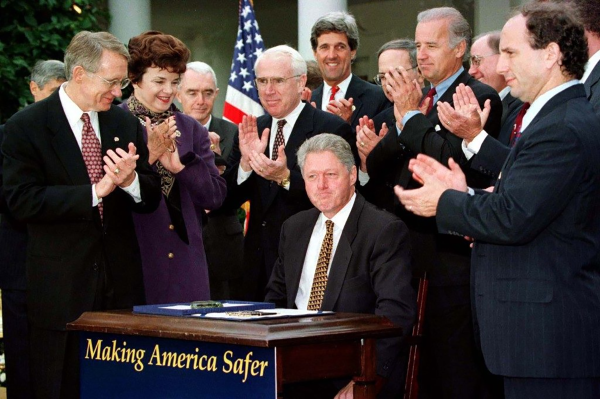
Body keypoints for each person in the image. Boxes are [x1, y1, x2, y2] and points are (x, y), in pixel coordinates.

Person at [397, 3, 600, 398]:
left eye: (510, 53)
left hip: (549, 343)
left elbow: (512, 217)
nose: (501, 67)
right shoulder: (555, 119)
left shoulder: (561, 127)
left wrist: (446, 202)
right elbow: (525, 201)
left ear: (551, 55)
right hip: (538, 342)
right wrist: (465, 194)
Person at [2, 31, 162, 398]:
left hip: (119, 290)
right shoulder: (25, 127)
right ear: (78, 74)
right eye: (111, 82)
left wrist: (131, 181)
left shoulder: (122, 123)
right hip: (59, 294)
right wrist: (96, 191)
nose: (118, 93)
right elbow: (22, 201)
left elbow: (150, 197)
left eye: (122, 82)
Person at [366, 7, 504, 399]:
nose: (420, 55)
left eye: (431, 45)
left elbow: (451, 162)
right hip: (406, 254)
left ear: (460, 49)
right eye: (418, 45)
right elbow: (377, 163)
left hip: (451, 260)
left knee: (452, 371)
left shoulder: (476, 96)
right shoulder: (419, 96)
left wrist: (411, 117)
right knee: (414, 372)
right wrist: (404, 118)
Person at [266, 133, 415, 399]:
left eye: (331, 175)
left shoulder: (383, 231)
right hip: (291, 366)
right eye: (312, 177)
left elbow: (395, 313)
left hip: (351, 369)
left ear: (352, 175)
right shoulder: (294, 227)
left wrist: (366, 378)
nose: (321, 185)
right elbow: (275, 301)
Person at [224, 44, 354, 301]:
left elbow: (339, 198)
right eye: (262, 81)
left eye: (278, 81)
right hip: (256, 267)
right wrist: (245, 166)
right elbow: (224, 200)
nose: (268, 90)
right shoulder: (252, 129)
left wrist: (284, 177)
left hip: (307, 262)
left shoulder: (330, 128)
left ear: (300, 82)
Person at [121, 31, 226, 304]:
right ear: (134, 78)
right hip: (135, 261)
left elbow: (214, 197)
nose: (169, 90)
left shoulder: (191, 128)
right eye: (159, 81)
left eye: (175, 82)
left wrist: (181, 168)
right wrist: (150, 157)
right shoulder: (114, 124)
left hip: (186, 265)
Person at [0, 58, 65, 399]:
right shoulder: (13, 130)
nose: (60, 99)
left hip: (63, 269)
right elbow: (15, 202)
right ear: (33, 89)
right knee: (24, 362)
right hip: (21, 268)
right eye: (54, 91)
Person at [177, 61, 244, 299]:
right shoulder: (166, 132)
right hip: (179, 243)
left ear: (216, 94)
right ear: (178, 93)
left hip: (223, 245)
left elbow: (239, 188)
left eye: (207, 93)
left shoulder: (235, 133)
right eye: (192, 93)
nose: (200, 101)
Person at [359, 38, 421, 211]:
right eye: (382, 77)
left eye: (395, 74)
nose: (388, 82)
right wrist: (366, 163)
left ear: (420, 73)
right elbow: (366, 192)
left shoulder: (439, 113)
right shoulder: (377, 122)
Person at [309, 11, 390, 132]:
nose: (331, 55)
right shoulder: (307, 102)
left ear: (353, 52)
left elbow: (382, 148)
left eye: (340, 47)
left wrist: (345, 127)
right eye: (324, 47)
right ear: (315, 53)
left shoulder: (379, 98)